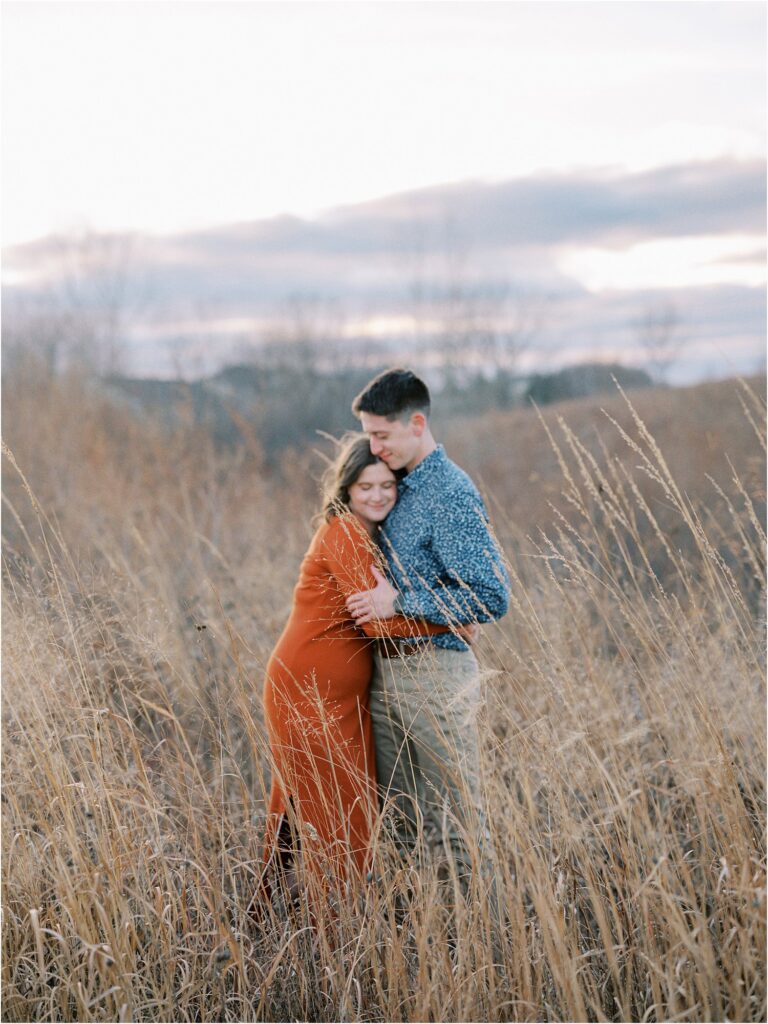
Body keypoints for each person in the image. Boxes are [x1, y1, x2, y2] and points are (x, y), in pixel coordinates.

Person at [253, 433, 450, 919]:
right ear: (346, 490)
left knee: (306, 806)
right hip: (308, 689)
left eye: (388, 485)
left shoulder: (370, 536)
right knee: (338, 810)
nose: (378, 495)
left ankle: (264, 917)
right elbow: (377, 623)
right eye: (366, 486)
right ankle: (332, 931)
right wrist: (449, 618)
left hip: (339, 697)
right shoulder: (344, 531)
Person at [346, 367, 510, 887]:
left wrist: (405, 602)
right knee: (400, 825)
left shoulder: (450, 492)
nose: (373, 445)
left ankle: (481, 949)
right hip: (386, 675)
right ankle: (419, 948)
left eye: (381, 434)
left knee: (455, 823)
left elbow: (490, 595)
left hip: (435, 675)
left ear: (417, 423)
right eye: (369, 434)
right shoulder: (393, 485)